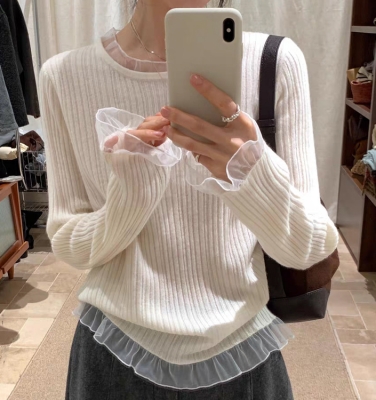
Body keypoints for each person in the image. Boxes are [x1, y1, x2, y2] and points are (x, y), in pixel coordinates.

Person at [40, 0, 339, 399]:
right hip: (114, 356)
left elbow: (309, 248)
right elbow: (69, 244)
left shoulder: (274, 62)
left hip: (241, 350)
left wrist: (251, 173)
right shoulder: (64, 76)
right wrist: (133, 194)